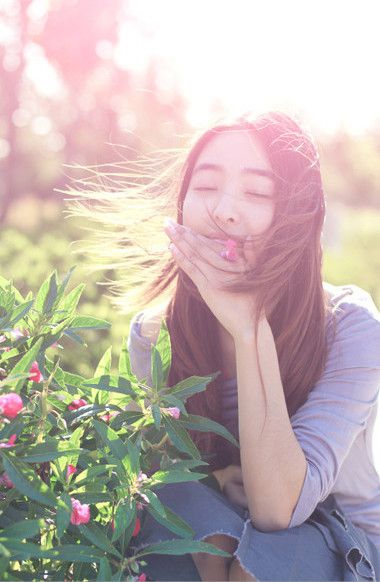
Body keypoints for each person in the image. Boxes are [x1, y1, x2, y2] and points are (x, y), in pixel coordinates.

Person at [67, 111, 380, 581]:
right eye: (206, 186)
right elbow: (174, 483)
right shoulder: (155, 336)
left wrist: (249, 326)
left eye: (257, 192)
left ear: (297, 218)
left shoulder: (349, 326)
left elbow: (278, 509)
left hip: (340, 535)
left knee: (261, 566)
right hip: (222, 527)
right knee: (167, 532)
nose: (224, 210)